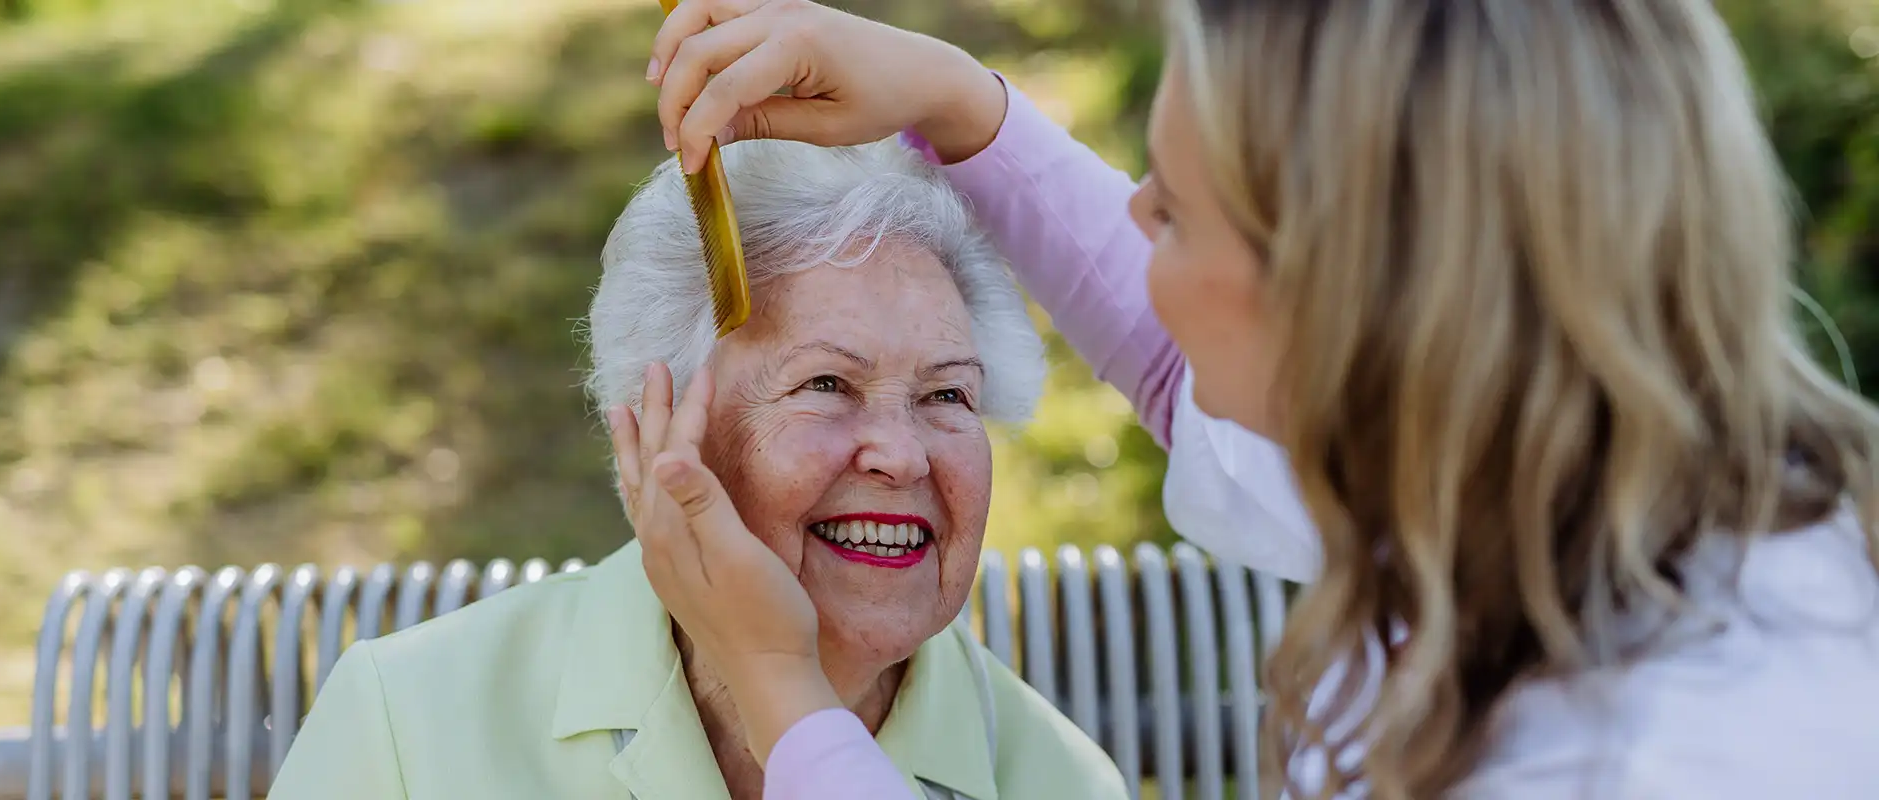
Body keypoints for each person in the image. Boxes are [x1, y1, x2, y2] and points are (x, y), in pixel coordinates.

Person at [629, 0, 1879, 797]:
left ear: (1346, 298)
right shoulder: (1524, 460)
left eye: (1170, 208)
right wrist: (962, 105)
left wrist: (781, 689)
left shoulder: (1693, 750)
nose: (1134, 224)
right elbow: (1194, 375)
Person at [266, 136, 1127, 799]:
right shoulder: (410, 724)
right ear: (659, 430)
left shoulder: (1056, 779)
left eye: (948, 396)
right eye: (827, 384)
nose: (901, 456)